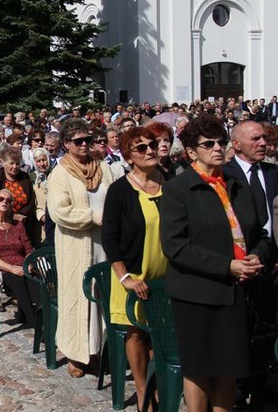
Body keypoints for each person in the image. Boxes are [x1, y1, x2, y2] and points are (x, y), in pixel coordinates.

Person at [160, 114, 269, 412]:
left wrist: (257, 255)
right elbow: (175, 246)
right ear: (192, 151)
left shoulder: (236, 185)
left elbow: (260, 232)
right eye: (209, 144)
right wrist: (228, 265)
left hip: (235, 292)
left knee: (228, 365)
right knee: (199, 367)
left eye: (221, 142)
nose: (218, 148)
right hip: (197, 293)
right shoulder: (178, 189)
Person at [102, 126, 168, 412]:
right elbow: (110, 237)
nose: (150, 150)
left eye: (152, 145)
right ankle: (143, 391)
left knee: (161, 333)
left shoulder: (169, 182)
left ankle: (160, 385)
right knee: (137, 333)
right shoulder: (119, 190)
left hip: (166, 276)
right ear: (129, 155)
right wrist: (125, 276)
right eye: (141, 148)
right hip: (132, 275)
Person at [46, 118, 113, 378]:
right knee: (78, 298)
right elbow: (59, 211)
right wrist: (94, 217)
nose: (85, 144)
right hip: (76, 245)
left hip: (104, 245)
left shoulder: (103, 168)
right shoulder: (60, 174)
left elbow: (115, 196)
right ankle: (75, 352)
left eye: (88, 139)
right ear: (66, 144)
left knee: (102, 300)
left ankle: (97, 350)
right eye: (78, 141)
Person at [0, 189, 36, 323]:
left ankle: (37, 315)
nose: (5, 202)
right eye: (1, 199)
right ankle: (34, 322)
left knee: (37, 282)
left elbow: (28, 249)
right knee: (18, 281)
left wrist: (29, 265)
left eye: (9, 201)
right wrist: (12, 268)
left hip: (22, 266)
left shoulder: (18, 225)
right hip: (1, 268)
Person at [0, 147, 41, 249]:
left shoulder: (25, 177)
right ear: (3, 162)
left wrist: (20, 216)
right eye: (11, 163)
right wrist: (12, 216)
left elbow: (30, 202)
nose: (15, 167)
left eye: (17, 163)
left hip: (22, 222)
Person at [30, 147, 52, 242]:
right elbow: (30, 201)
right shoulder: (31, 178)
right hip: (40, 223)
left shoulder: (57, 175)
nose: (42, 164)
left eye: (44, 160)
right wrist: (41, 215)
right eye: (38, 161)